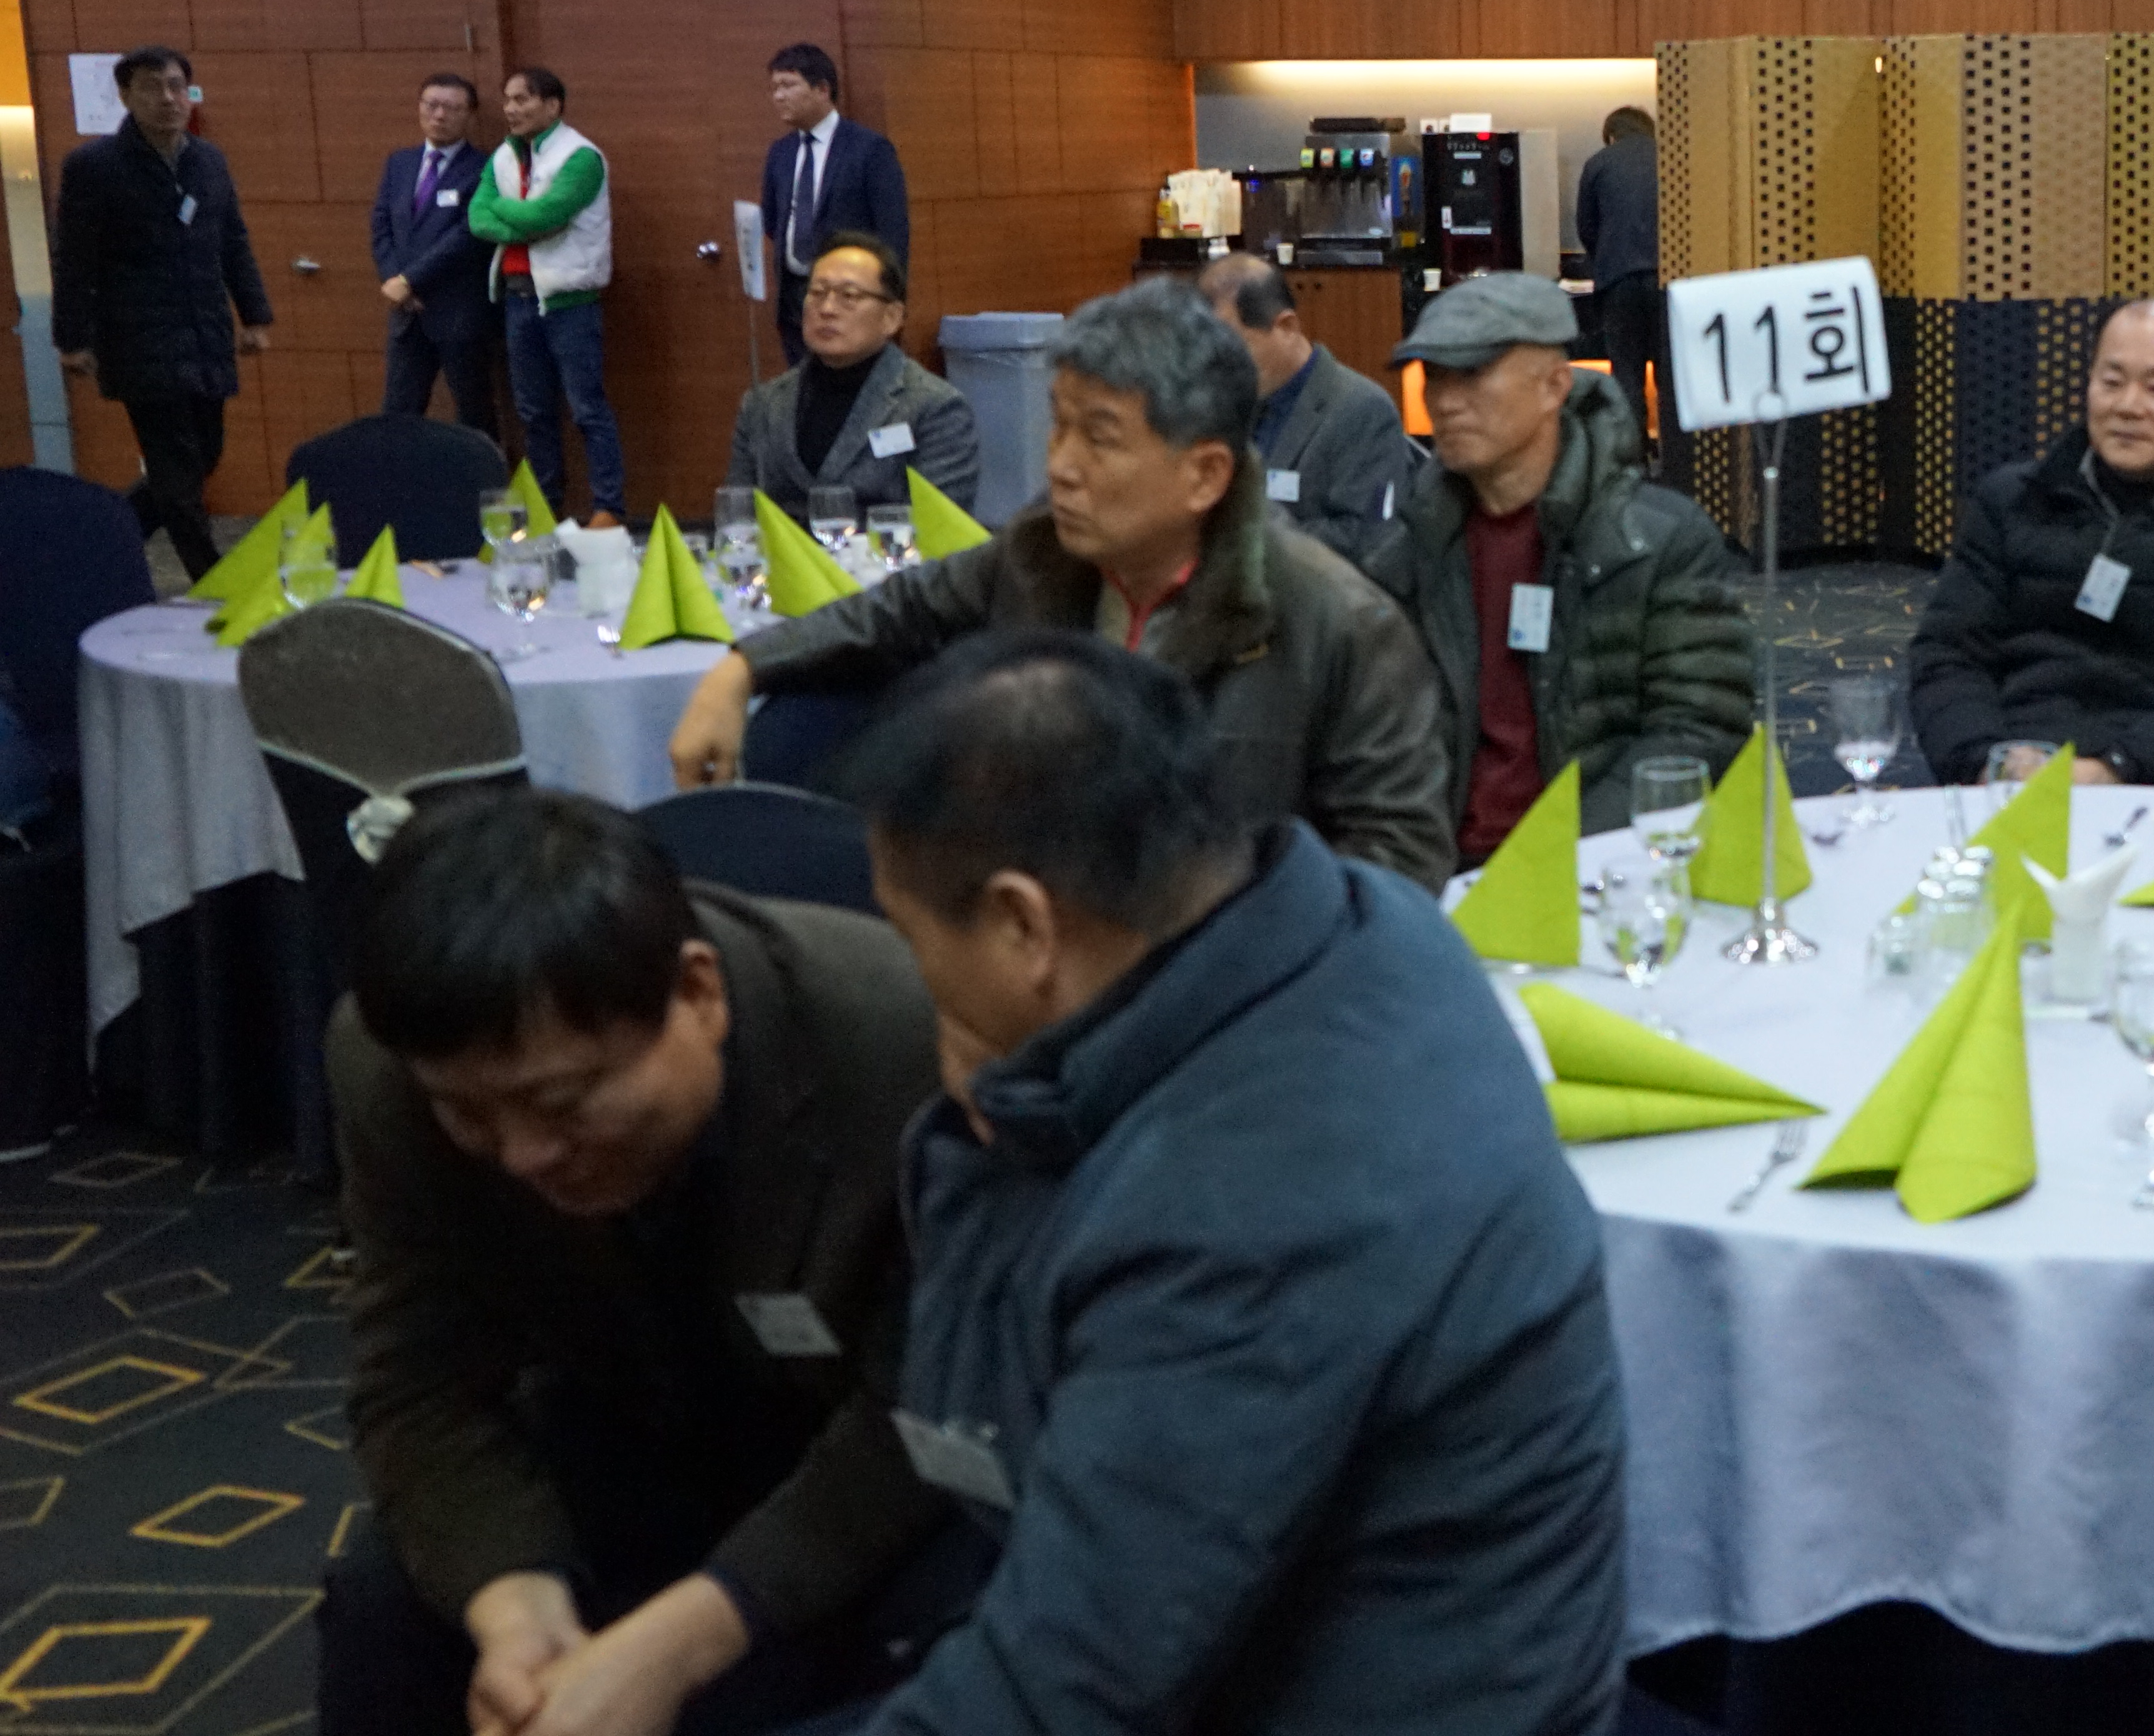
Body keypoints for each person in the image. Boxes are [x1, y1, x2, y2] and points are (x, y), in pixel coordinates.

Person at [833, 632, 1627, 1734]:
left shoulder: (1244, 1208)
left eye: (910, 933)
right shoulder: (1356, 922)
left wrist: (1001, 1137)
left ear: (1023, 927)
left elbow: (1062, 1687)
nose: (914, 978)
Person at [319, 788, 963, 1736]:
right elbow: (417, 1383)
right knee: (385, 1606)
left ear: (698, 994)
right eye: (471, 1114)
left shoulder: (912, 1053)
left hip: (879, 1446)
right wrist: (517, 1604)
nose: (522, 1154)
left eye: (564, 1103)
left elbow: (921, 1413)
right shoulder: (395, 1069)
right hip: (628, 1409)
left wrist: (689, 1636)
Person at [668, 280, 1454, 889]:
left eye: (1100, 437)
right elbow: (901, 609)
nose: (1061, 465)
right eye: (1060, 425)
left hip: (1229, 969)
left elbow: (1397, 865)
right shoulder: (1045, 550)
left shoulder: (1336, 621)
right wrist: (742, 668)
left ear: (1205, 474)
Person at [1356, 273, 1751, 863]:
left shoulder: (1655, 543)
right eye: (1434, 376)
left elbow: (1698, 732)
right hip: (1438, 872)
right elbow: (1370, 741)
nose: (1445, 401)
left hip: (1595, 864)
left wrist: (1557, 861)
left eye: (1472, 374)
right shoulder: (1406, 553)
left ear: (1554, 387)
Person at [1907, 297, 2154, 786]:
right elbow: (1948, 654)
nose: (2127, 407)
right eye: (2112, 382)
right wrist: (1984, 763)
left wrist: (2115, 769)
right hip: (2014, 772)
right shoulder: (2011, 500)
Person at [51, 44, 273, 580]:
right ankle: (212, 578)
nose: (168, 99)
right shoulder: (94, 167)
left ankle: (99, 542)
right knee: (174, 465)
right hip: (138, 338)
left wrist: (255, 315)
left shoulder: (208, 160)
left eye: (176, 86)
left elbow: (233, 241)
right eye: (152, 88)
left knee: (203, 456)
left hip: (205, 332)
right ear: (126, 96)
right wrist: (72, 338)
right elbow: (74, 259)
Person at [722, 234, 978, 513]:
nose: (827, 309)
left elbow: (940, 525)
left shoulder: (935, 407)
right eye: (817, 293)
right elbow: (739, 515)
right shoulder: (762, 404)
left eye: (849, 296)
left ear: (891, 317)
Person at [472, 65, 625, 526]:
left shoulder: (580, 157)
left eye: (522, 99)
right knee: (533, 413)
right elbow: (477, 218)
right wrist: (519, 222)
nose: (511, 109)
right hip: (518, 299)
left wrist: (512, 214)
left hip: (569, 303)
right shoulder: (504, 155)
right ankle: (545, 508)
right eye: (507, 100)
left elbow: (546, 216)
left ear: (553, 106)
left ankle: (608, 507)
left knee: (587, 410)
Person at [1198, 251, 1415, 554]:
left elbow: (1368, 540)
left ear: (1287, 327)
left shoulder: (1361, 410)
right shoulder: (1221, 403)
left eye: (1232, 349)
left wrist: (1241, 539)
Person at [760, 44, 911, 369]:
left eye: (788, 85)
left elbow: (893, 232)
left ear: (822, 89)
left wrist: (888, 301)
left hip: (852, 294)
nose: (779, 97)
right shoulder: (780, 153)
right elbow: (772, 222)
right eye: (774, 88)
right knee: (805, 386)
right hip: (797, 298)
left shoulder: (869, 149)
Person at [370, 70, 499, 439]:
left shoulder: (485, 168)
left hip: (460, 314)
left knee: (476, 418)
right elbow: (382, 226)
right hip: (407, 314)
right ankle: (400, 480)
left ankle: (487, 482)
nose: (440, 115)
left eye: (452, 108)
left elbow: (468, 236)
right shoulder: (399, 163)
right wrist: (395, 281)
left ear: (469, 114)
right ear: (420, 107)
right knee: (397, 415)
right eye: (432, 105)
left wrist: (411, 280)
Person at [1574, 106, 1665, 433]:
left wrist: (1604, 260)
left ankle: (1632, 454)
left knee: (1627, 373)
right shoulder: (1671, 158)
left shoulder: (1598, 163)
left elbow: (1586, 227)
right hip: (1668, 280)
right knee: (1671, 373)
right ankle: (1675, 454)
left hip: (1618, 281)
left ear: (1611, 136)